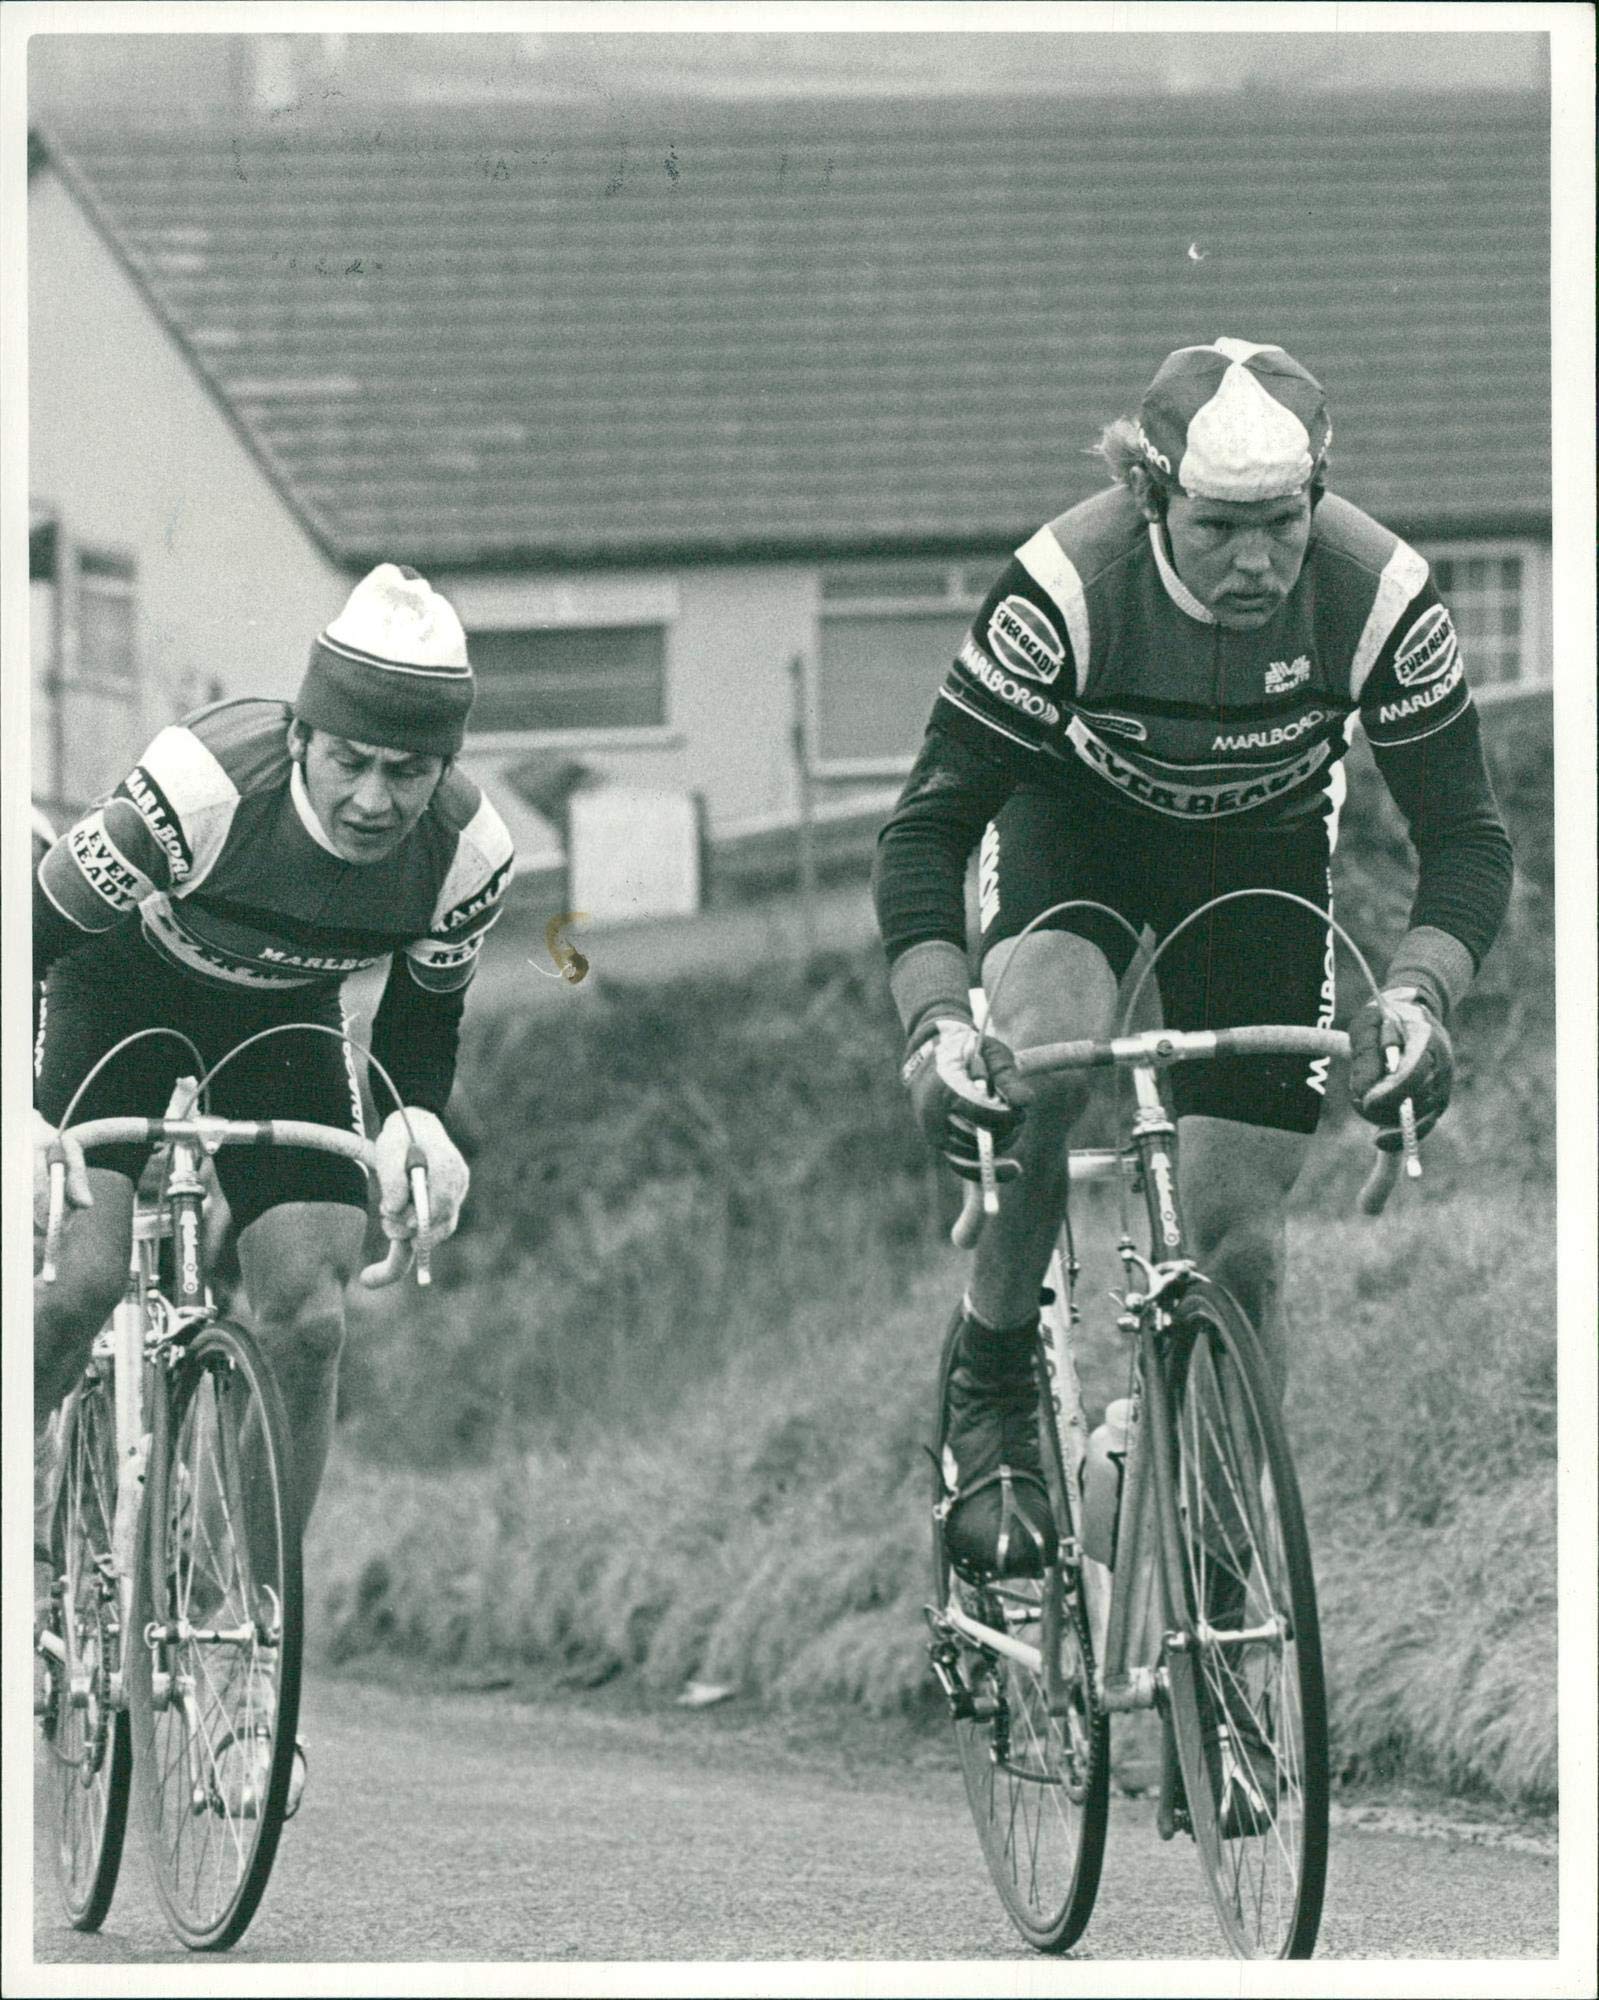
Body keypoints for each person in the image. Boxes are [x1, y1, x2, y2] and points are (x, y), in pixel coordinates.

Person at [874, 336, 1513, 1582]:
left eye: (1284, 522)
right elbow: (927, 829)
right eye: (1221, 527)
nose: (1259, 561)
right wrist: (938, 1024)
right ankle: (995, 1372)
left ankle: (1224, 1589)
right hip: (1081, 831)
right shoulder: (1065, 583)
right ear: (1153, 494)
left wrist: (1423, 997)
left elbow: (1468, 840)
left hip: (1261, 852)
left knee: (1243, 1246)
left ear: (1317, 498)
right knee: (1038, 1069)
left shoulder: (1380, 592)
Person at [33, 563, 515, 1809]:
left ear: (441, 768)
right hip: (112, 996)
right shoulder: (196, 788)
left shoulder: (469, 850)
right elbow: (29, 934)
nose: (371, 798)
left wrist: (417, 1127)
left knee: (309, 1312)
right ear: (301, 732)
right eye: (346, 759)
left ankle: (243, 1650)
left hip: (281, 1024)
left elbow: (417, 1035)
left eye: (405, 773)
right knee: (74, 1277)